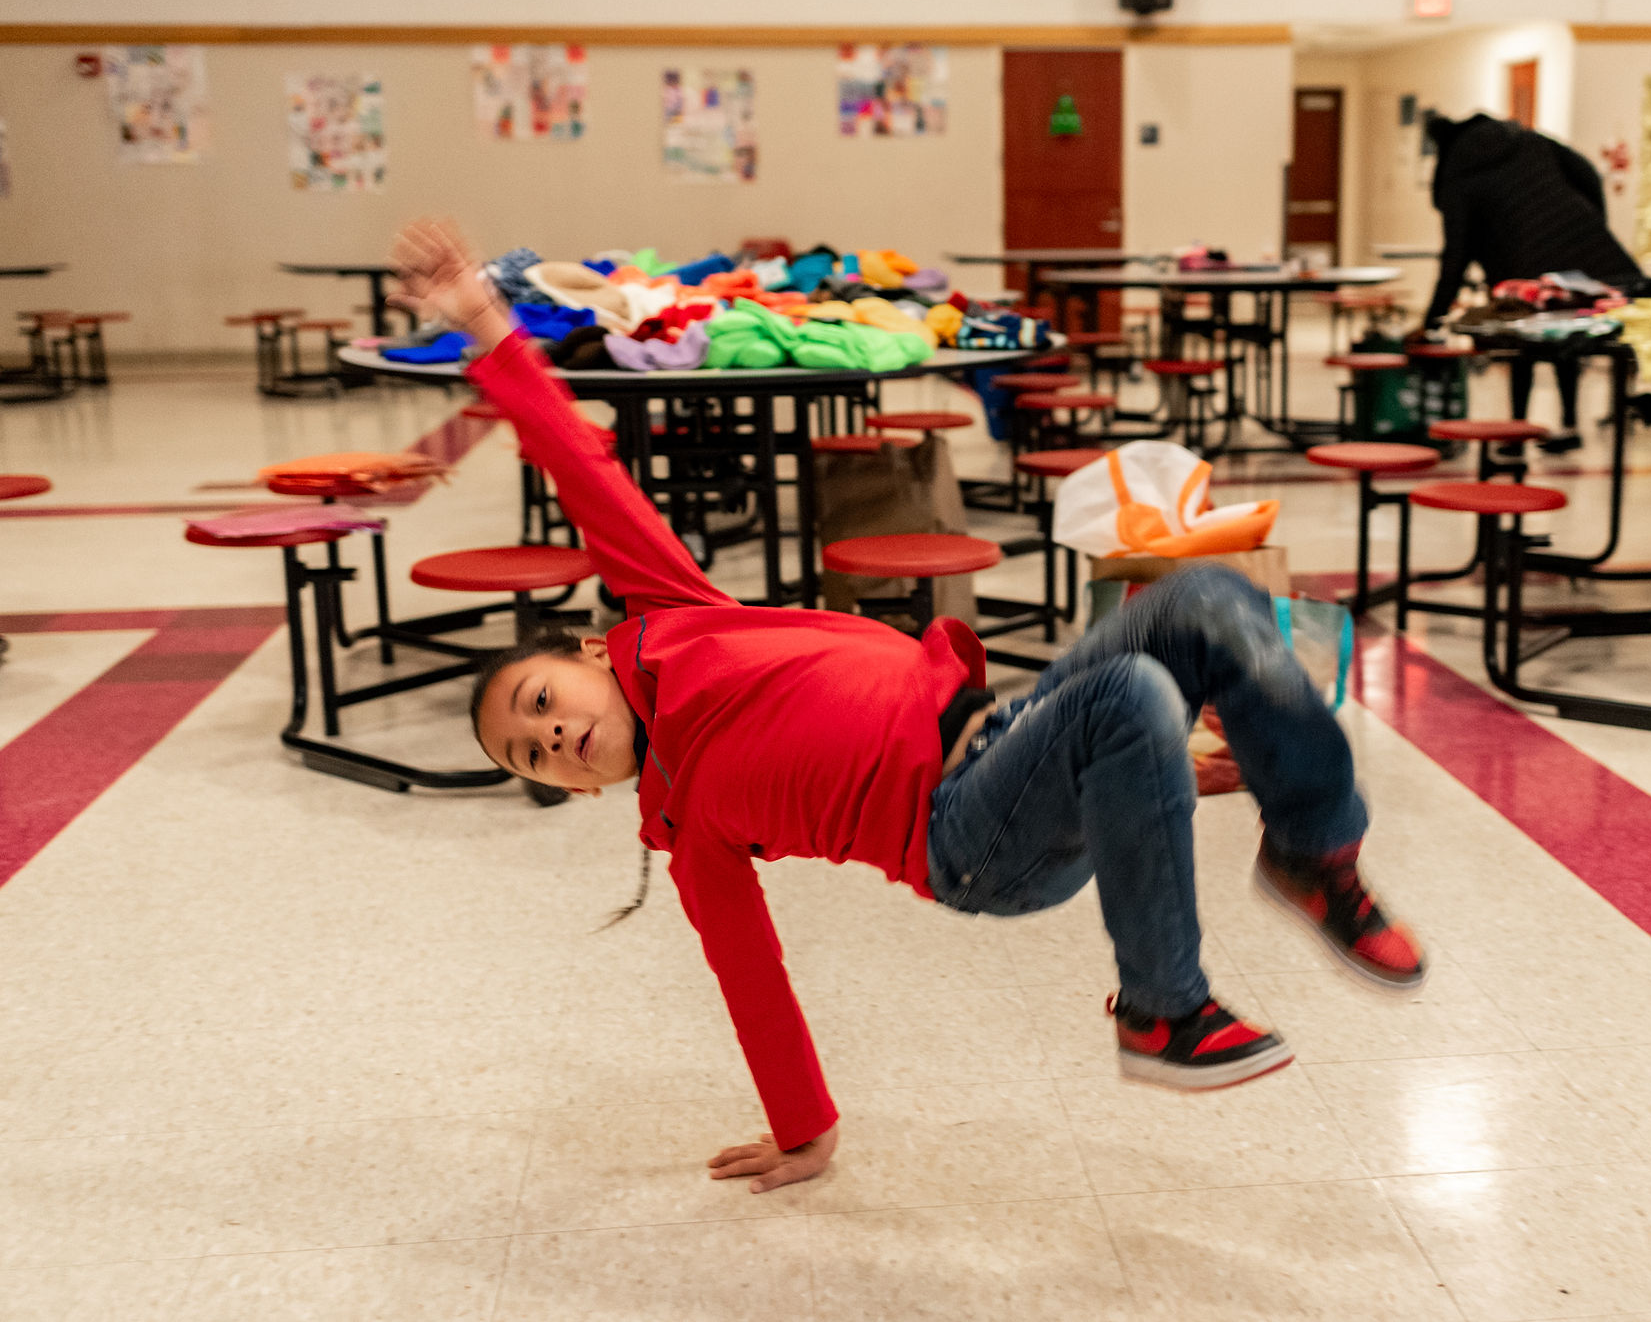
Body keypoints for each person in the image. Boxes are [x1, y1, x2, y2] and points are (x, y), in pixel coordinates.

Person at [390, 219, 1424, 1195]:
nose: (551, 736)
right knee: (1127, 689)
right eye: (533, 757)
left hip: (1007, 732)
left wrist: (486, 324)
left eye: (537, 702)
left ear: (582, 650)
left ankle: (1310, 848)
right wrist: (804, 1127)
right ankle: (1161, 1005)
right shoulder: (690, 824)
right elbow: (751, 975)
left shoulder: (673, 615)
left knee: (1206, 598)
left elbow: (583, 464)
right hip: (966, 841)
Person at [1419, 110, 1651, 336]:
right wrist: (1592, 221)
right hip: (1588, 253)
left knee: (1527, 341)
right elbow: (1587, 173)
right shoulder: (1527, 139)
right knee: (1586, 326)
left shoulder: (1457, 174)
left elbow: (1455, 254)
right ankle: (1570, 375)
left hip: (1523, 267)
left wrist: (1432, 320)